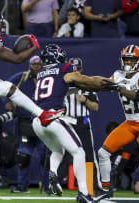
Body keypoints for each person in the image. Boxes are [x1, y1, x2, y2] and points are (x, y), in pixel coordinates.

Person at [31, 44, 115, 203]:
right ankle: (84, 192)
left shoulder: (41, 73)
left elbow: (60, 89)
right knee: (79, 152)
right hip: (53, 117)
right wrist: (112, 83)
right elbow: (88, 80)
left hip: (37, 121)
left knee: (58, 151)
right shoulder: (63, 68)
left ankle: (53, 173)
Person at [95, 45, 139, 203]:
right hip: (130, 123)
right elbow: (101, 84)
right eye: (127, 59)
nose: (129, 62)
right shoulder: (118, 75)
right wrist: (79, 83)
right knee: (103, 153)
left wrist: (118, 87)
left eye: (133, 59)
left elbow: (138, 95)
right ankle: (105, 190)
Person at [6, 55, 49, 194]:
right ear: (29, 65)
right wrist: (7, 102)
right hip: (25, 122)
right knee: (23, 155)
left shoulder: (48, 79)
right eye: (33, 64)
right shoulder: (22, 78)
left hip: (43, 122)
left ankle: (49, 187)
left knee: (46, 156)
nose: (36, 67)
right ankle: (22, 186)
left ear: (42, 65)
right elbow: (4, 88)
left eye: (38, 64)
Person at [64, 57, 100, 196]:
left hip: (82, 123)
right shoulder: (62, 84)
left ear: (81, 69)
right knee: (59, 153)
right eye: (73, 69)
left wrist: (85, 100)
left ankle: (95, 186)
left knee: (89, 155)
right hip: (65, 122)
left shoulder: (88, 85)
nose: (75, 71)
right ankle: (53, 185)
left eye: (77, 69)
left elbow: (95, 107)